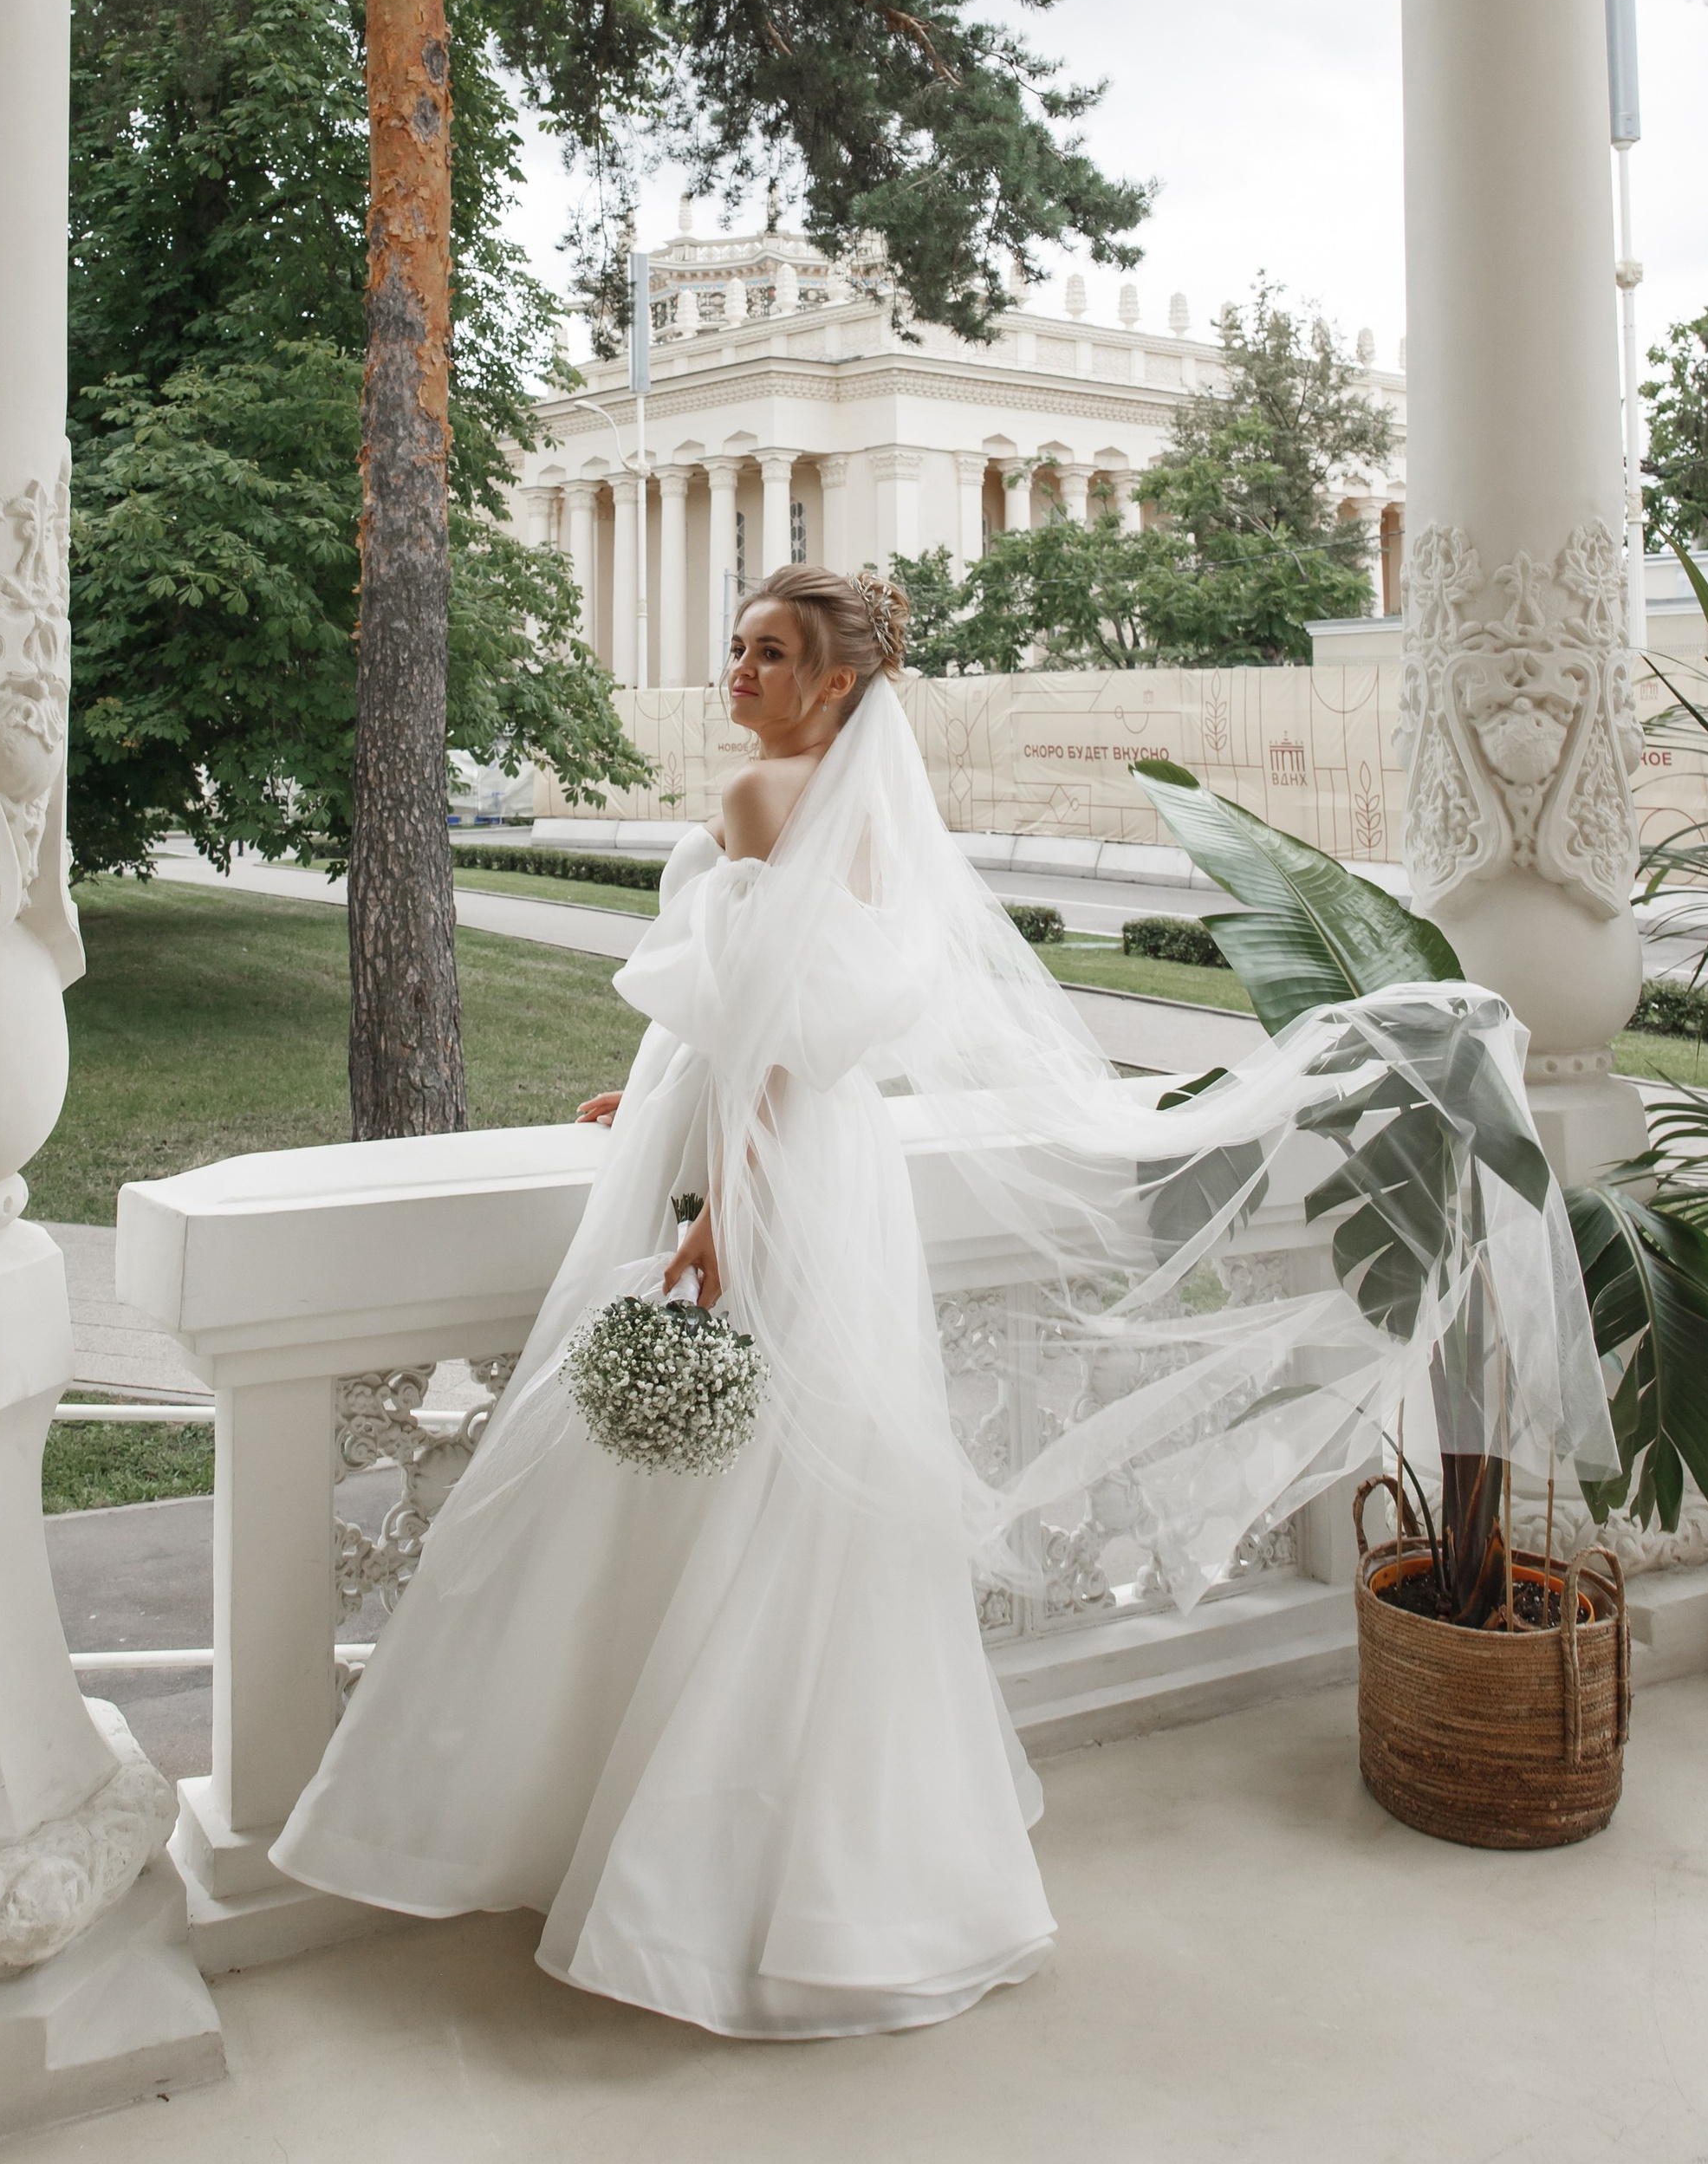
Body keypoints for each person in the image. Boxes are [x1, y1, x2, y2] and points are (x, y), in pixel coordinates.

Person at [272, 563, 1607, 2037]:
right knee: (796, 1502)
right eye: (735, 646)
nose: (739, 672)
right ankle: (836, 1862)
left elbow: (772, 1035)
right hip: (817, 1163)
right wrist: (660, 1083)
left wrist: (719, 1199)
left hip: (763, 1164)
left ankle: (661, 1858)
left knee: (701, 1486)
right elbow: (777, 1019)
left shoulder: (765, 805)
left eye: (769, 654)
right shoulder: (850, 812)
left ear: (837, 683)